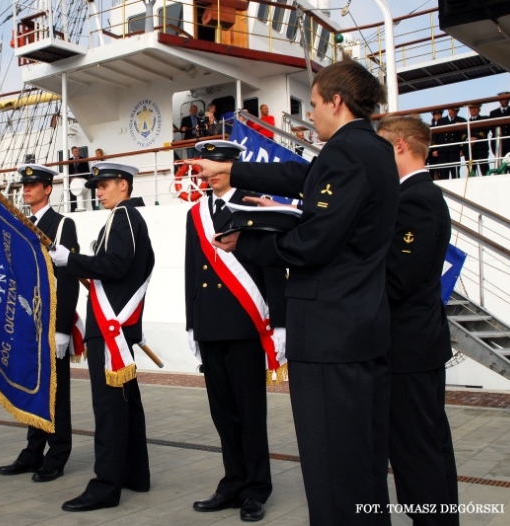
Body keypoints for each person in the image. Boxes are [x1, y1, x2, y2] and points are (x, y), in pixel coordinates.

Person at [185, 58, 398, 525]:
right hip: (358, 327)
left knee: (331, 466)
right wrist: (232, 169)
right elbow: (304, 179)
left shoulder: (347, 152)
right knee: (361, 462)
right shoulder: (373, 149)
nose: (311, 114)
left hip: (328, 336)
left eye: (315, 103)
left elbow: (315, 243)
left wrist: (249, 241)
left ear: (337, 102)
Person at [185, 140, 286, 523]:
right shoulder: (196, 213)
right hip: (210, 324)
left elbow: (272, 266)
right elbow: (192, 268)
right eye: (205, 167)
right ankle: (232, 483)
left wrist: (280, 323)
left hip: (246, 325)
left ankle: (256, 488)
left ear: (231, 166)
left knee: (250, 413)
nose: (207, 173)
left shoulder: (253, 205)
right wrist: (192, 323)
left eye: (214, 165)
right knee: (223, 414)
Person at [49, 161, 155, 512]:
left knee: (109, 410)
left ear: (124, 185)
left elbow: (116, 265)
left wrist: (72, 260)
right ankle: (135, 474)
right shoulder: (127, 219)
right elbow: (123, 267)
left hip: (110, 331)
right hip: (118, 329)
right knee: (126, 406)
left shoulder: (123, 217)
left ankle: (105, 487)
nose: (99, 191)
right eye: (97, 186)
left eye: (105, 185)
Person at [376, 116, 459, 526]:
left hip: (408, 347)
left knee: (415, 450)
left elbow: (398, 278)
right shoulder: (417, 196)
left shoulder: (416, 199)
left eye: (381, 149)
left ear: (400, 146)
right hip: (417, 343)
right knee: (428, 443)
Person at [0, 164, 80, 482]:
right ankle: (32, 451)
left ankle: (57, 454)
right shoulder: (20, 224)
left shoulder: (62, 225)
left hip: (50, 323)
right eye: (24, 185)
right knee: (33, 387)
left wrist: (62, 329)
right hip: (26, 323)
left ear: (48, 189)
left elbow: (68, 279)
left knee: (56, 391)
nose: (27, 189)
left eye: (33, 185)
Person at [489, 92, 510, 173]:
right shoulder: (493, 113)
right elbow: (492, 128)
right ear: (499, 100)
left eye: (507, 98)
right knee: (499, 166)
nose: (505, 100)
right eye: (503, 99)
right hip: (498, 144)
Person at [437, 107, 466, 179]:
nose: (453, 112)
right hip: (443, 151)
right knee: (443, 173)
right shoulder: (441, 121)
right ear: (448, 110)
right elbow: (436, 136)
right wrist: (435, 148)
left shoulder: (462, 120)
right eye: (452, 110)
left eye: (456, 111)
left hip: (455, 150)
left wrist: (462, 148)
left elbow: (464, 136)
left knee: (455, 173)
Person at [466, 103, 491, 176]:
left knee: (484, 169)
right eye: (471, 109)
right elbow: (464, 134)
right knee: (471, 170)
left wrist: (476, 138)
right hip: (470, 149)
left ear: (479, 110)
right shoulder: (466, 122)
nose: (473, 110)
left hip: (481, 147)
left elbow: (485, 130)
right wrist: (469, 139)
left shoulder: (484, 119)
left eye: (475, 108)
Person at [68, 146, 90, 212]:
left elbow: (87, 170)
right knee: (72, 196)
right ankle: (73, 210)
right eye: (75, 151)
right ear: (72, 152)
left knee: (82, 195)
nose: (77, 152)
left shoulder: (83, 159)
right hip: (72, 181)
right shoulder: (69, 160)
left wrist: (82, 178)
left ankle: (83, 208)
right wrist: (70, 178)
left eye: (78, 151)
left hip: (81, 181)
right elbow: (67, 171)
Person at [427, 109, 446, 180]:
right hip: (432, 152)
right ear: (433, 116)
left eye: (439, 115)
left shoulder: (444, 126)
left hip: (441, 151)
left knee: (442, 170)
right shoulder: (430, 127)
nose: (438, 116)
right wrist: (433, 150)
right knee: (433, 170)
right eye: (436, 115)